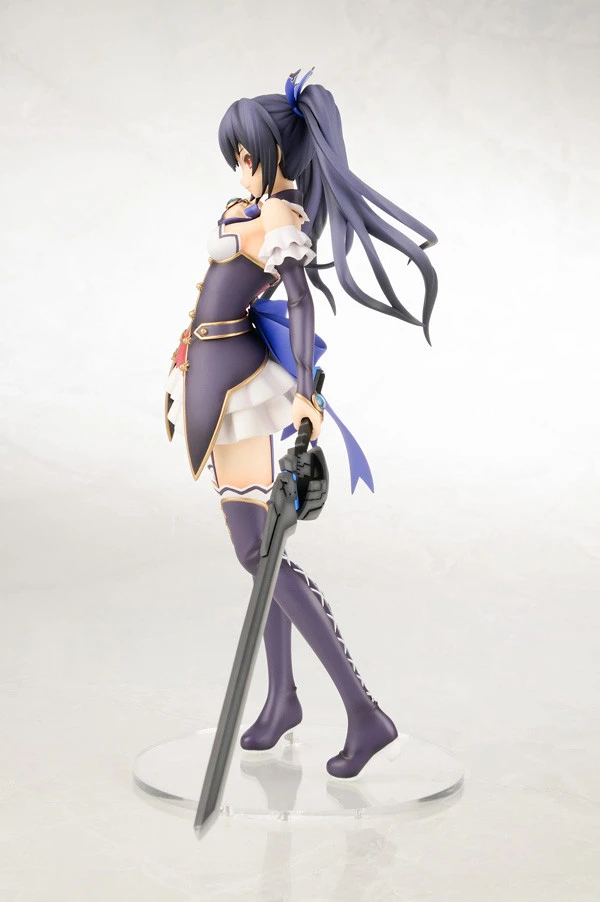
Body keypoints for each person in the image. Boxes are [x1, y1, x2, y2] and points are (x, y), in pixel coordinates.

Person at [165, 69, 438, 779]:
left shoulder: (282, 220)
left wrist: (308, 394)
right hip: (213, 376)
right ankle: (284, 698)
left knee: (258, 554)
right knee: (258, 549)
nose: (240, 168)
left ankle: (363, 712)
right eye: (236, 156)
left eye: (247, 155)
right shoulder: (247, 208)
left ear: (276, 154)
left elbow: (301, 300)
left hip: (239, 388)